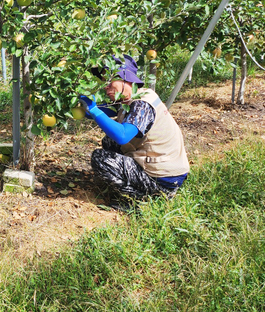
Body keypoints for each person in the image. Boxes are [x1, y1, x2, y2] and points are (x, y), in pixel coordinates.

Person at [80, 55, 189, 208]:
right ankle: (141, 185)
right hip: (167, 168)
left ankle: (142, 201)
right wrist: (81, 107)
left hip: (164, 177)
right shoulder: (133, 97)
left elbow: (122, 136)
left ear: (126, 78)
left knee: (101, 159)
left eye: (110, 80)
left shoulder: (142, 105)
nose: (106, 86)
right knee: (108, 141)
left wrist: (94, 110)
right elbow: (106, 111)